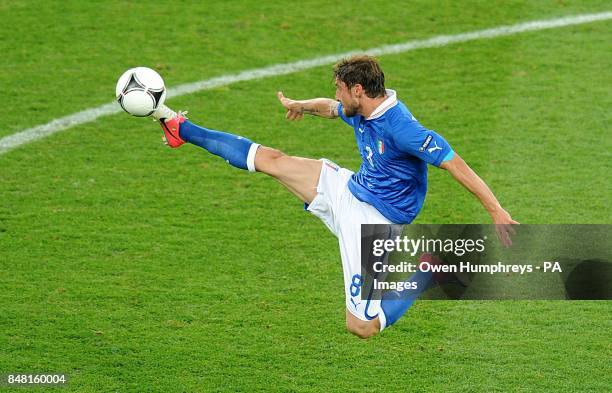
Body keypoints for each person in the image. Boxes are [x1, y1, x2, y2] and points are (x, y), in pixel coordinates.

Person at [147, 55, 518, 339]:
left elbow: (454, 163)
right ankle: (181, 127)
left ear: (359, 89)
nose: (338, 95)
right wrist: (302, 106)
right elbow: (331, 107)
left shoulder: (402, 128)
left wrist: (496, 210)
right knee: (272, 161)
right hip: (349, 188)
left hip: (375, 224)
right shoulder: (362, 107)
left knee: (362, 327)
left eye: (341, 88)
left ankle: (428, 269)